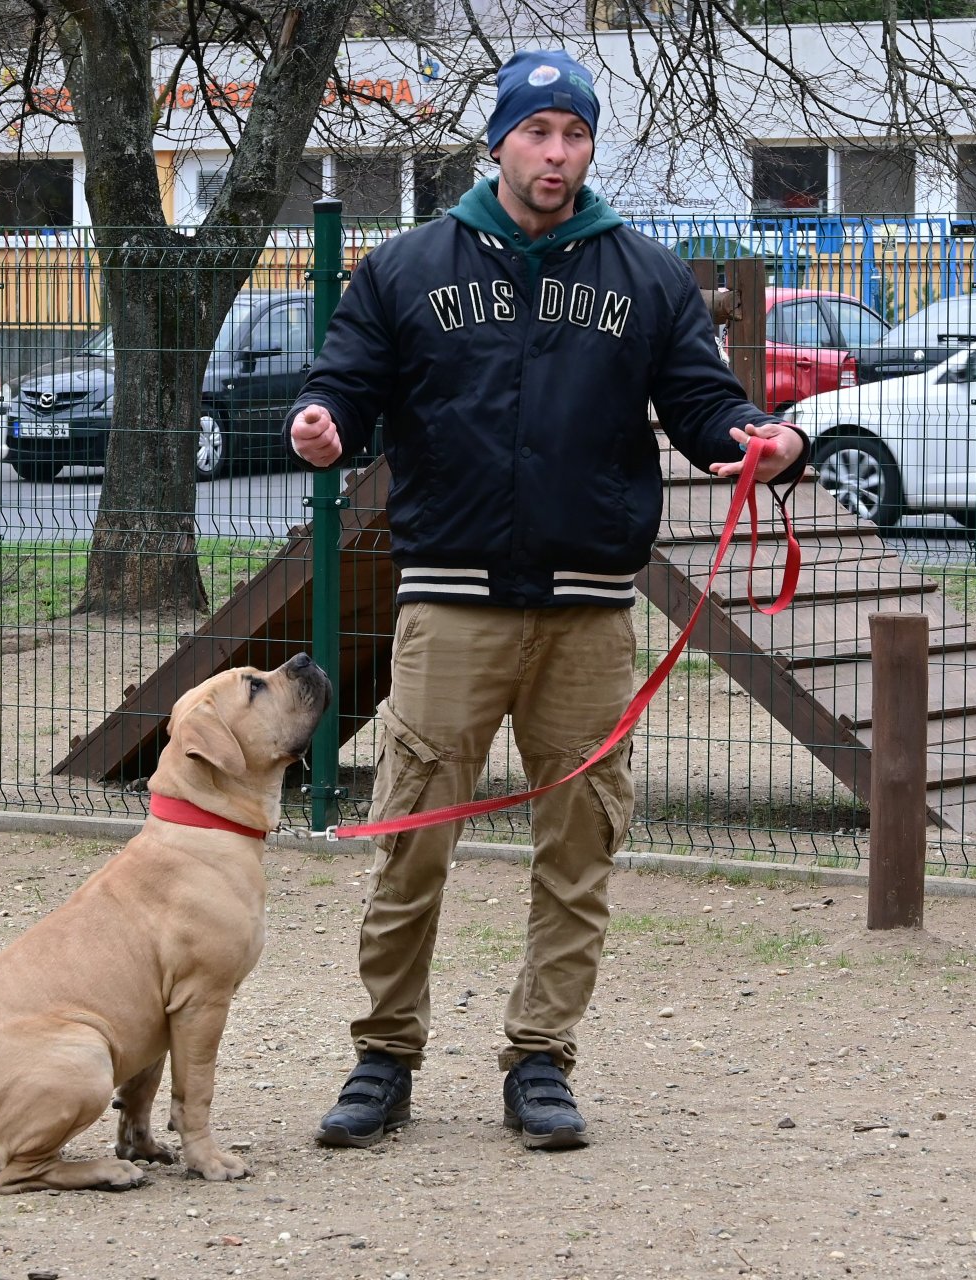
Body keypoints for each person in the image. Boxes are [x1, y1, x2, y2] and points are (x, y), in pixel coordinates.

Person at [285, 48, 808, 1151]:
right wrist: (321, 423)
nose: (556, 154)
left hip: (589, 611)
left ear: (589, 147)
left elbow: (705, 403)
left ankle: (541, 1059)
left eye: (574, 134)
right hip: (450, 603)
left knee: (580, 840)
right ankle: (384, 1057)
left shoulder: (645, 275)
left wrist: (766, 438)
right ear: (499, 143)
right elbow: (347, 381)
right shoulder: (406, 266)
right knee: (412, 838)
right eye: (537, 133)